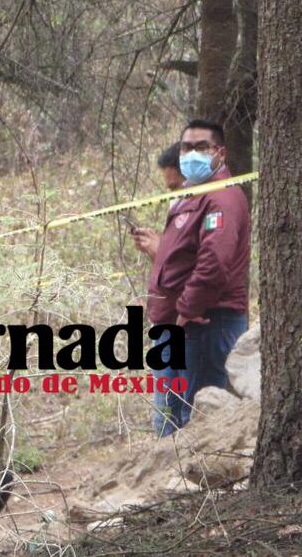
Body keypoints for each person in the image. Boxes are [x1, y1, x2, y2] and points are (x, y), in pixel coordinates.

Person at [144, 120, 250, 433]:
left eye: (201, 147)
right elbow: (182, 257)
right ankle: (168, 482)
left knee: (196, 421)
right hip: (173, 324)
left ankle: (197, 482)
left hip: (204, 323)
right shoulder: (191, 195)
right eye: (186, 148)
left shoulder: (222, 198)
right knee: (167, 418)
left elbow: (214, 263)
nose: (192, 154)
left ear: (220, 151)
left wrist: (187, 309)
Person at [130, 141, 190, 436]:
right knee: (164, 416)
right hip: (165, 323)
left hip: (187, 324)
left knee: (182, 415)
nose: (173, 196)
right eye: (168, 189)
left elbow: (195, 271)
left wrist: (159, 252)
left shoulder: (202, 212)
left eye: (176, 187)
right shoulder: (179, 213)